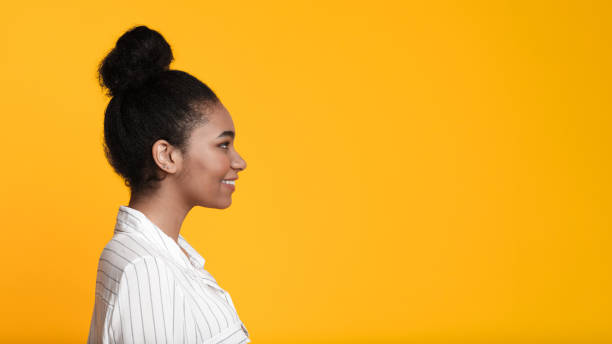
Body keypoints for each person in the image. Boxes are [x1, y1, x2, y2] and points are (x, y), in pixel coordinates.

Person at [87, 25, 250, 344]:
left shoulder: (165, 257)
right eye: (222, 145)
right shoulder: (147, 268)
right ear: (167, 155)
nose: (239, 161)